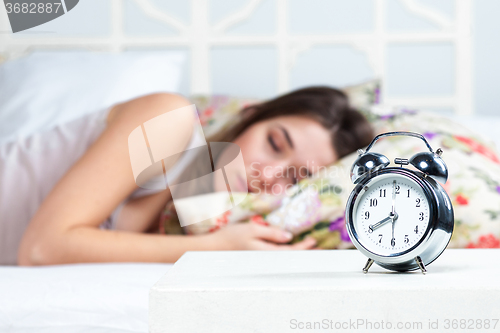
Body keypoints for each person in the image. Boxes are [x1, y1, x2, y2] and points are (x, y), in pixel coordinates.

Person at [3, 86, 373, 266]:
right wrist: (216, 249)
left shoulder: (179, 220)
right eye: (274, 143)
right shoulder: (171, 120)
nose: (268, 174)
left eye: (294, 179)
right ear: (249, 118)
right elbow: (42, 248)